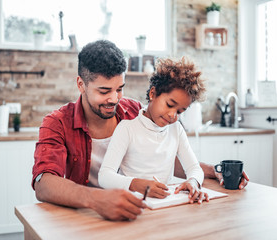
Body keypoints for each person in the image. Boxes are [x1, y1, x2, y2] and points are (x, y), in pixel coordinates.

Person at [32, 40, 249, 222]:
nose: (114, 99)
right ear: (81, 84)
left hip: (137, 213)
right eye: (104, 91)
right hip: (86, 216)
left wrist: (216, 171)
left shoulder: (133, 111)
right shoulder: (57, 122)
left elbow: (162, 156)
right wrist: (97, 199)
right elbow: (44, 184)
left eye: (119, 88)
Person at [98, 57, 209, 204]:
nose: (172, 115)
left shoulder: (176, 129)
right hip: (133, 205)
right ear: (153, 94)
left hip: (164, 206)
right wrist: (136, 184)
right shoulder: (127, 129)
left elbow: (194, 168)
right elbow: (105, 176)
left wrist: (194, 181)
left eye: (180, 112)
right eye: (169, 105)